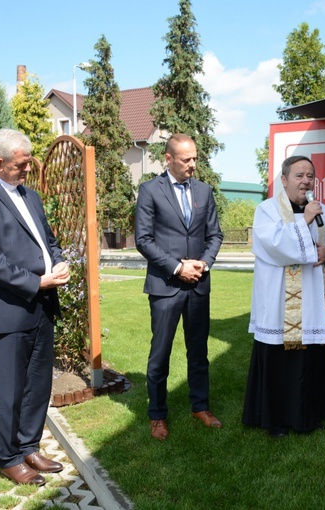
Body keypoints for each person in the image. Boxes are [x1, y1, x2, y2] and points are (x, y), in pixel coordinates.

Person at [0, 129, 69, 486]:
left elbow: (48, 241)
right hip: (7, 310)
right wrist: (35, 281)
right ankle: (8, 457)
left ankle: (29, 446)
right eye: (22, 165)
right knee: (9, 390)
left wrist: (57, 262)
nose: (28, 170)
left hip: (41, 306)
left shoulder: (31, 197)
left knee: (38, 384)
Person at [242, 156, 325, 437]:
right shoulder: (267, 211)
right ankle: (276, 419)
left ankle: (310, 413)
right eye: (299, 175)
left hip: (311, 299)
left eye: (310, 176)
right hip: (277, 302)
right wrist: (305, 221)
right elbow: (275, 246)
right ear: (284, 179)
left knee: (311, 357)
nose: (306, 181)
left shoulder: (324, 212)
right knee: (279, 358)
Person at [134, 133, 224, 440]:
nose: (193, 165)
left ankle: (201, 406)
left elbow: (215, 235)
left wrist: (204, 262)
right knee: (160, 353)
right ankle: (157, 414)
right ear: (168, 159)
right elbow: (143, 240)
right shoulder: (149, 191)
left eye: (195, 158)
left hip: (199, 285)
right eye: (186, 159)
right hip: (165, 286)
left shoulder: (204, 190)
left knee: (198, 352)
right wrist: (177, 267)